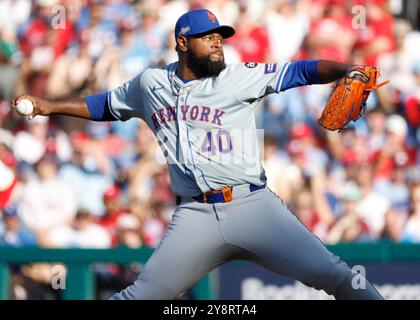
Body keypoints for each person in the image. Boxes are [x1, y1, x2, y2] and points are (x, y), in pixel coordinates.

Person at [12, 9, 384, 300]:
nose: (217, 43)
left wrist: (346, 69)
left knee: (335, 274)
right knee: (143, 294)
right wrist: (48, 106)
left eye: (219, 37)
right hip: (195, 215)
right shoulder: (150, 84)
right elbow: (104, 104)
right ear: (182, 43)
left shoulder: (239, 77)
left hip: (253, 206)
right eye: (207, 38)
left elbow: (300, 71)